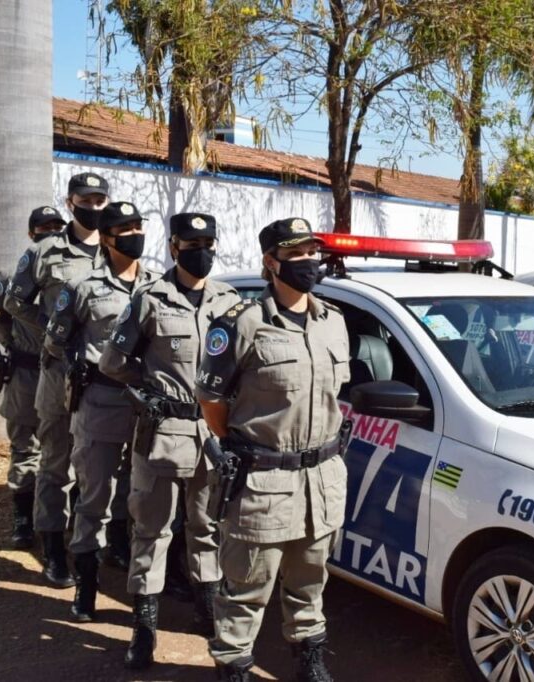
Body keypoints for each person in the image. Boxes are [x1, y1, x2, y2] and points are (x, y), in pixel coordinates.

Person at [195, 217, 350, 682]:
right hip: (264, 483)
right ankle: (234, 665)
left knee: (310, 583)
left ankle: (309, 658)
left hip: (321, 479)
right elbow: (211, 401)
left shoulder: (334, 323)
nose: (308, 262)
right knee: (247, 589)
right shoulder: (244, 324)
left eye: (311, 252)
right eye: (296, 254)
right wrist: (247, 447)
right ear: (272, 261)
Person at [99, 212, 241, 669]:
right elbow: (112, 360)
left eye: (209, 241)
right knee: (152, 532)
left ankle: (208, 613)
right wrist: (152, 391)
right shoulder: (149, 299)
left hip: (214, 434)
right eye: (192, 242)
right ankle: (143, 631)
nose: (202, 249)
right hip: (163, 434)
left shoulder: (231, 301)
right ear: (175, 247)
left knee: (207, 530)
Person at [44, 200, 157, 622]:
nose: (134, 234)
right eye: (124, 229)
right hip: (101, 402)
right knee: (95, 497)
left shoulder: (157, 285)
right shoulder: (83, 287)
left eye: (137, 226)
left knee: (143, 494)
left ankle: (134, 573)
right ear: (107, 238)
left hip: (146, 405)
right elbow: (56, 340)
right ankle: (86, 586)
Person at [5, 172, 109, 587]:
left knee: (103, 467)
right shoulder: (46, 251)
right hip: (60, 375)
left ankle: (97, 546)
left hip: (104, 380)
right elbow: (15, 300)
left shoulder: (118, 249)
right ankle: (53, 552)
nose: (94, 206)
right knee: (55, 465)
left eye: (100, 199)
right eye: (87, 199)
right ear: (71, 203)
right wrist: (53, 329)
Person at [0, 206, 66, 548]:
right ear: (31, 233)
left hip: (59, 372)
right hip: (24, 373)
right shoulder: (10, 274)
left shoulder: (68, 276)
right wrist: (16, 347)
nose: (50, 231)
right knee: (25, 447)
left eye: (56, 227)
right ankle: (22, 517)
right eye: (43, 227)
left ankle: (58, 517)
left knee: (62, 448)